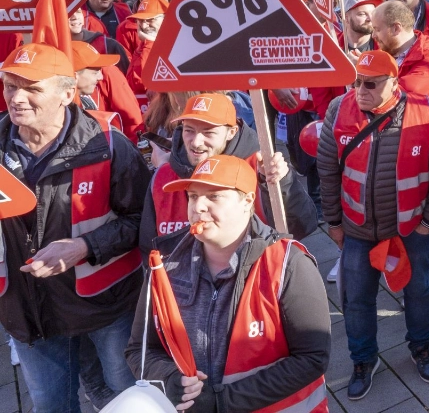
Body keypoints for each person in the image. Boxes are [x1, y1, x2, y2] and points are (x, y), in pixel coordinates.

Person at [0, 43, 149, 413]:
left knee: (126, 395)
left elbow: (144, 222)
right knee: (51, 405)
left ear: (68, 94)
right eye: (9, 85)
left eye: (32, 88)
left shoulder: (109, 145)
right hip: (28, 310)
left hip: (106, 305)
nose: (16, 97)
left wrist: (83, 247)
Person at [125, 155, 331, 413]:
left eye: (213, 196)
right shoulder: (163, 265)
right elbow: (140, 350)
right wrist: (169, 378)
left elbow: (312, 358)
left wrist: (221, 401)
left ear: (247, 201)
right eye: (192, 196)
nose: (198, 206)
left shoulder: (288, 263)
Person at [317, 51, 429, 400]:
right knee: (356, 300)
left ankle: (421, 348)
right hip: (358, 232)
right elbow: (328, 172)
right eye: (357, 81)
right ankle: (363, 360)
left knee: (419, 292)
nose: (360, 89)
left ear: (394, 83)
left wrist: (428, 224)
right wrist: (334, 222)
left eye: (371, 83)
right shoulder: (338, 110)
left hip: (410, 231)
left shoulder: (427, 115)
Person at [142, 93, 317, 252]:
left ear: (231, 132)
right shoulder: (163, 178)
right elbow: (149, 248)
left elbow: (301, 227)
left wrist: (282, 182)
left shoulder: (260, 169)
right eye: (189, 130)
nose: (196, 142)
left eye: (208, 132)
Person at [372, 0, 429, 110]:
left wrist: (365, 75)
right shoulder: (388, 50)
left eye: (377, 29)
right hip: (395, 123)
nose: (373, 35)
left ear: (396, 28)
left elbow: (396, 97)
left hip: (421, 124)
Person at [71, 41, 144, 142]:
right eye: (95, 72)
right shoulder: (54, 105)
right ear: (75, 76)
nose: (101, 77)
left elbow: (132, 121)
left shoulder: (109, 73)